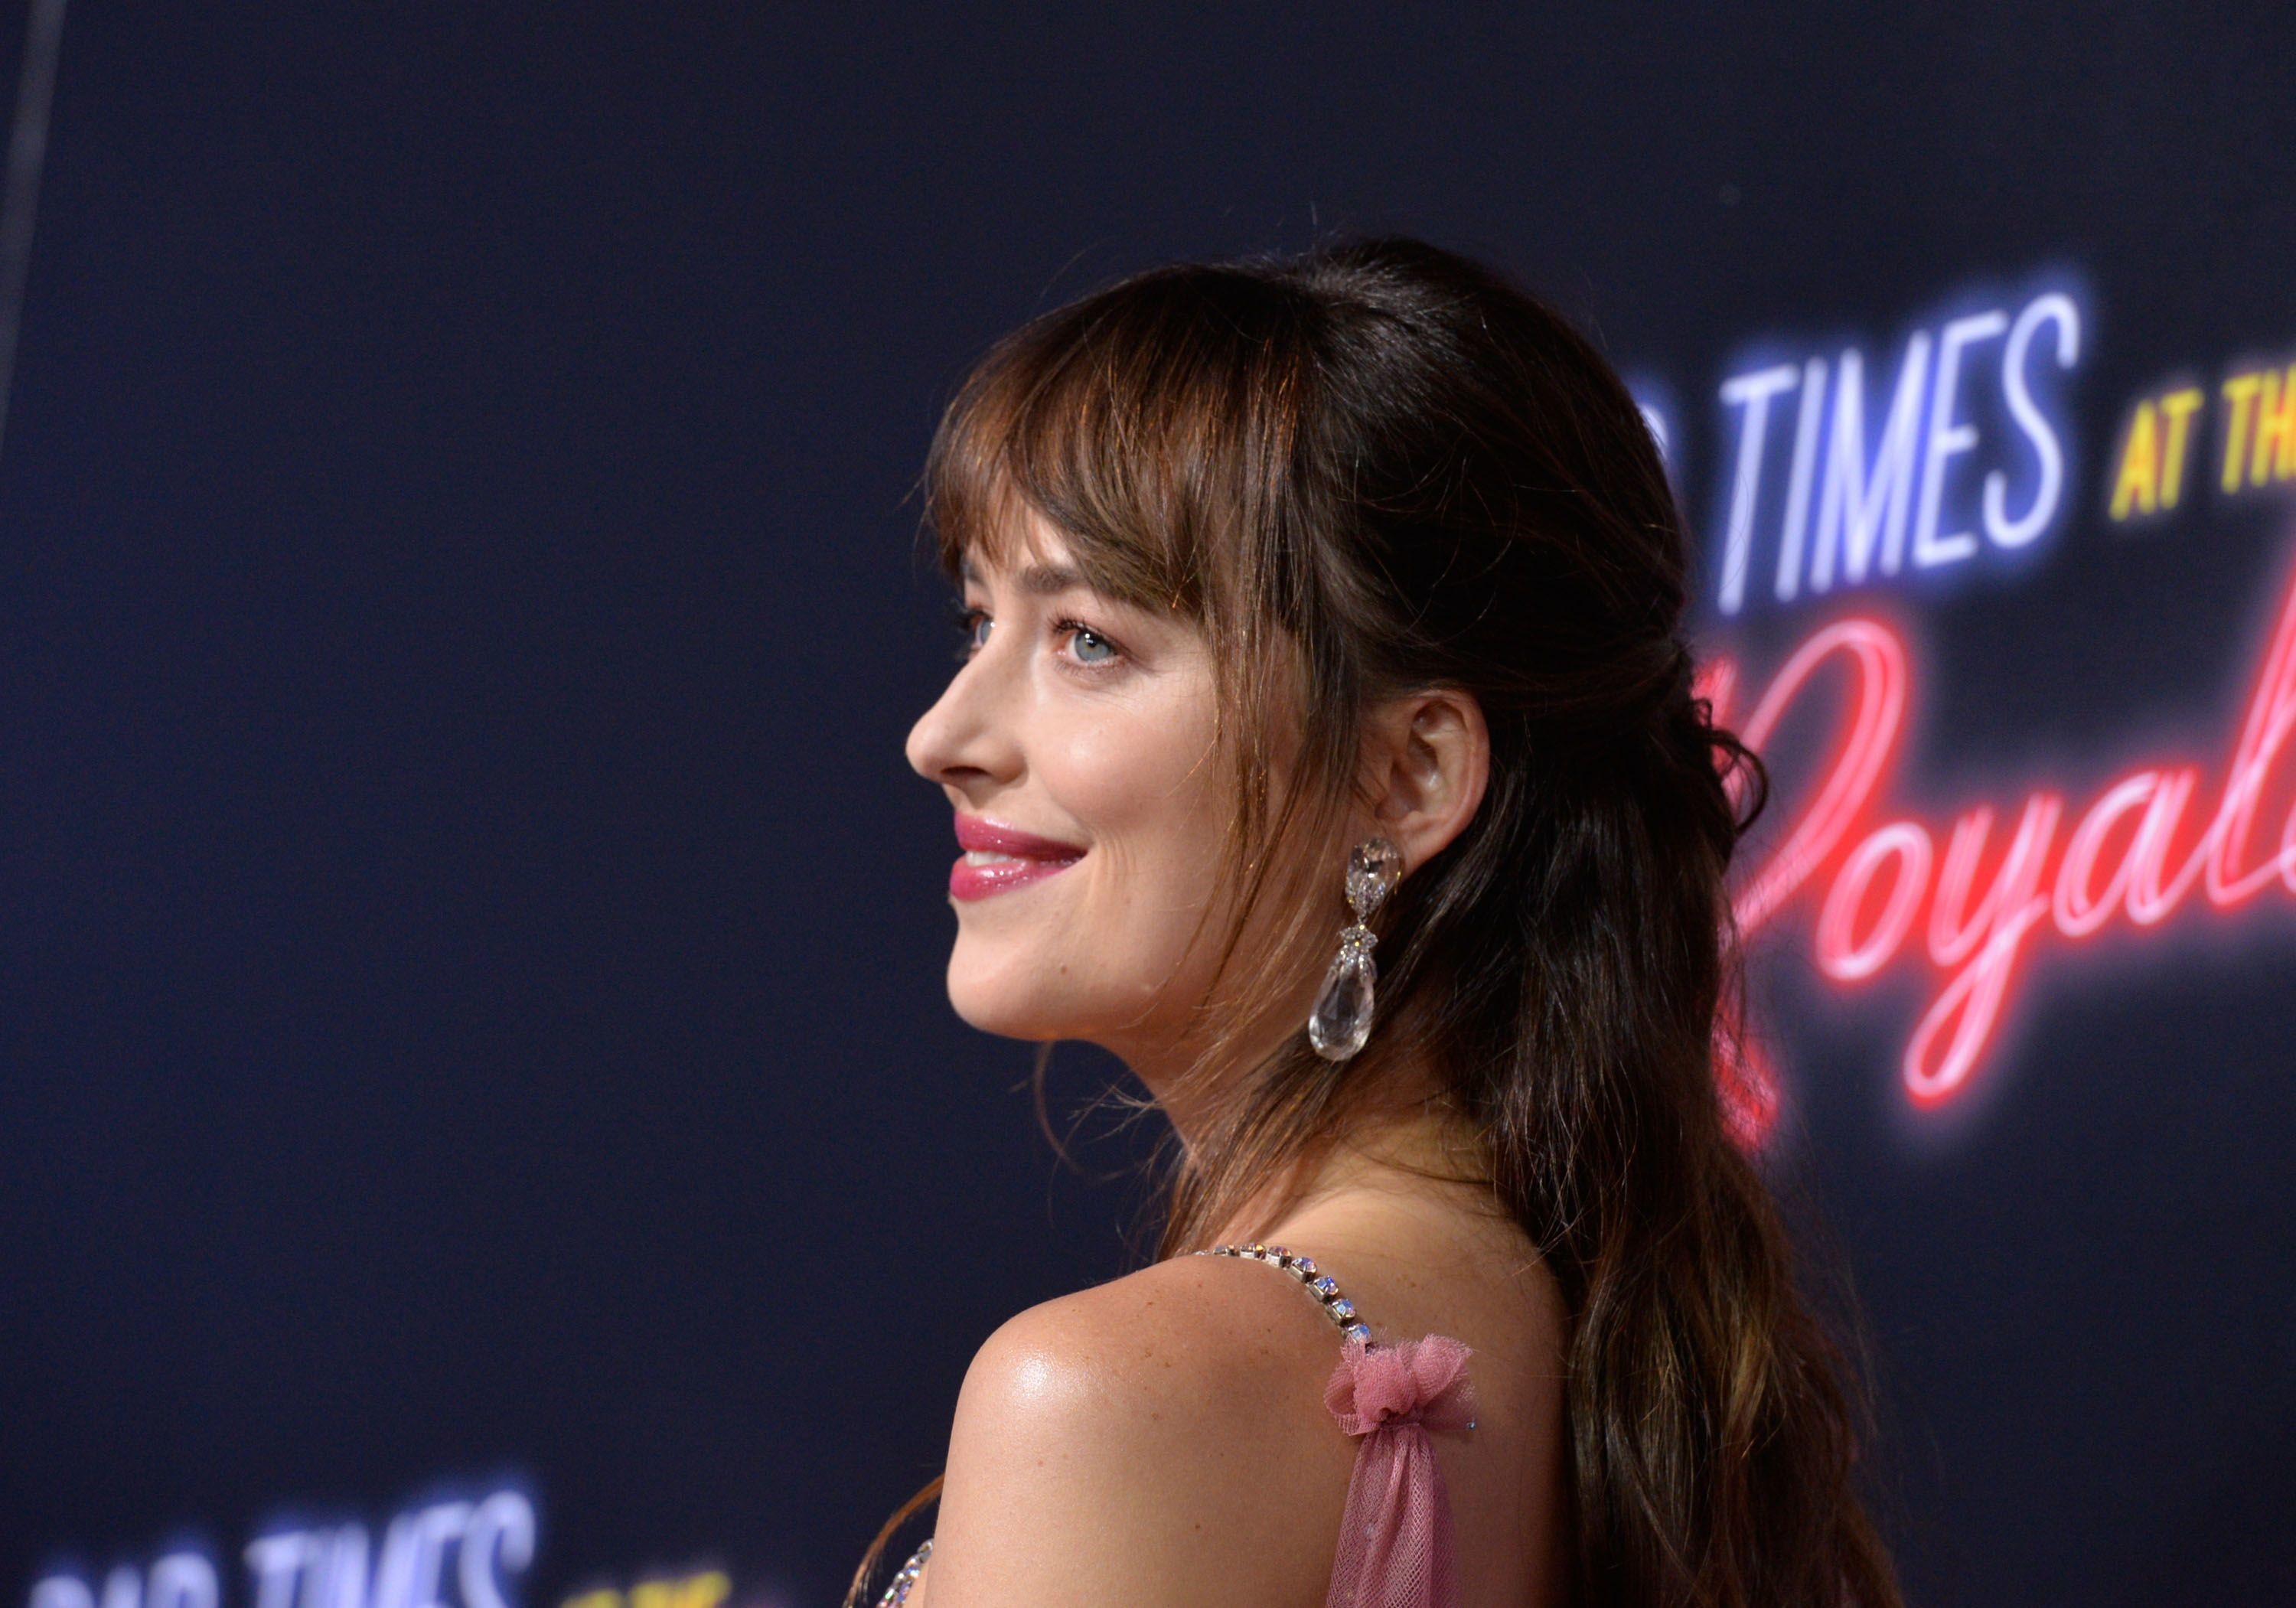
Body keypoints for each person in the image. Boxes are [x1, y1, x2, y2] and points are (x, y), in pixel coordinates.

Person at [852, 236, 1903, 1607]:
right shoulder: (1610, 1344)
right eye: (977, 622)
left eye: (1088, 640)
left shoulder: (1106, 1399)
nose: (942, 735)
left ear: (1409, 775)